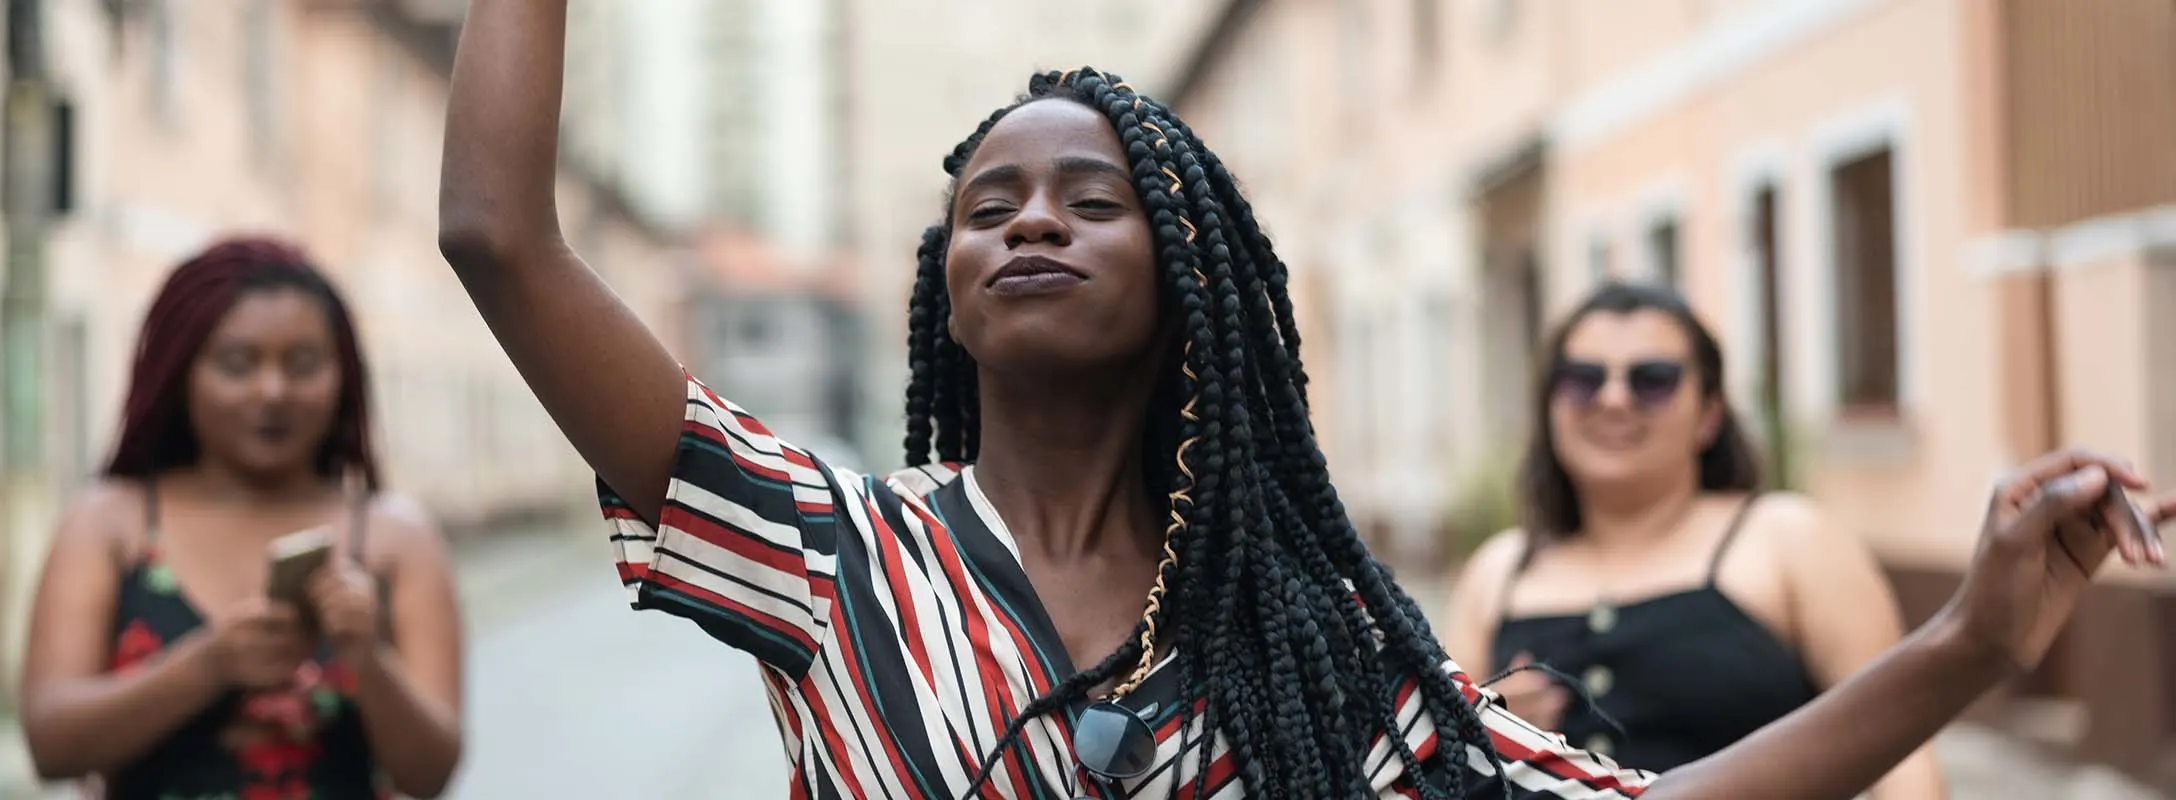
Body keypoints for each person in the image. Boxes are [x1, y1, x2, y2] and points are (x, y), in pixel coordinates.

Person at [437, 2, 2169, 796]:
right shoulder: (829, 555)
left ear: (1189, 284)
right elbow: (500, 238)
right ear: (945, 293)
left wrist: (1969, 643)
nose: (1032, 216)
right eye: (988, 205)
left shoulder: (1315, 640)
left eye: (1093, 197)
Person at [1441, 282, 1946, 797]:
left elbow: (1900, 748)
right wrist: (1488, 731)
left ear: (1709, 414)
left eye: (1653, 379)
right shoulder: (1498, 572)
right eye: (1583, 379)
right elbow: (1431, 769)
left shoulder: (1786, 540)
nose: (1613, 399)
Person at [17, 237, 466, 799]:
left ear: (343, 376)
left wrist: (368, 659)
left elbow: (431, 776)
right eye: (237, 363)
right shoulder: (110, 523)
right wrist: (210, 665)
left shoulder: (395, 536)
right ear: (181, 372)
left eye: (303, 365)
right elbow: (50, 745)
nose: (273, 391)